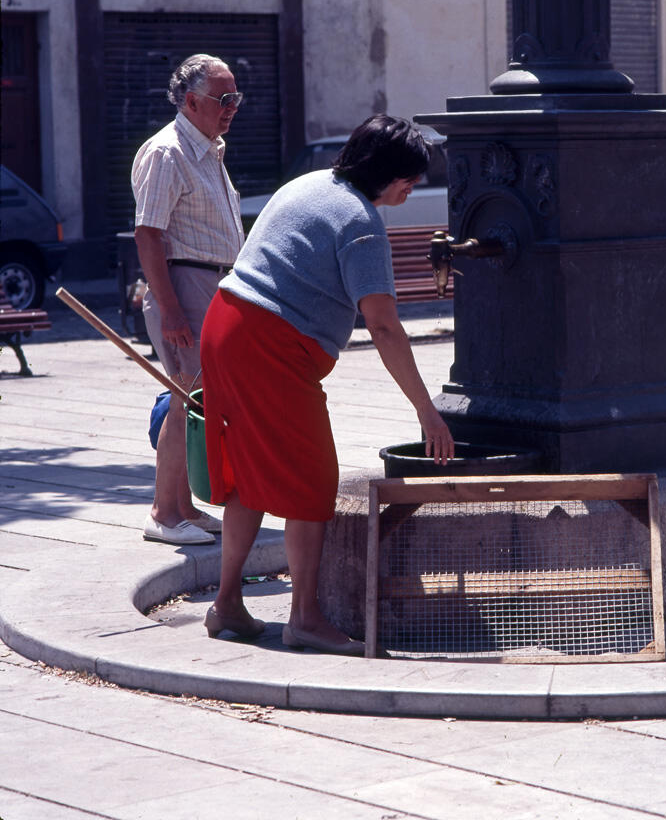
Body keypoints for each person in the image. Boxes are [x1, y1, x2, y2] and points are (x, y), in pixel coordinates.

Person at [200, 114, 455, 655]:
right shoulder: (361, 222)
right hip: (271, 346)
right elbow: (383, 326)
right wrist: (427, 411)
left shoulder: (309, 184)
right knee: (313, 481)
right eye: (409, 178)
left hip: (225, 324)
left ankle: (226, 603)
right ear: (385, 172)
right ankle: (306, 618)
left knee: (250, 471)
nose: (415, 187)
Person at [131, 54, 246, 546]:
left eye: (235, 98)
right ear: (193, 101)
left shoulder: (208, 150)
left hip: (215, 286)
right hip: (186, 287)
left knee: (199, 400)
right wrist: (172, 309)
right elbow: (148, 234)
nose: (232, 108)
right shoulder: (167, 152)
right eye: (224, 98)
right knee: (185, 398)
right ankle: (164, 512)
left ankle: (184, 507)